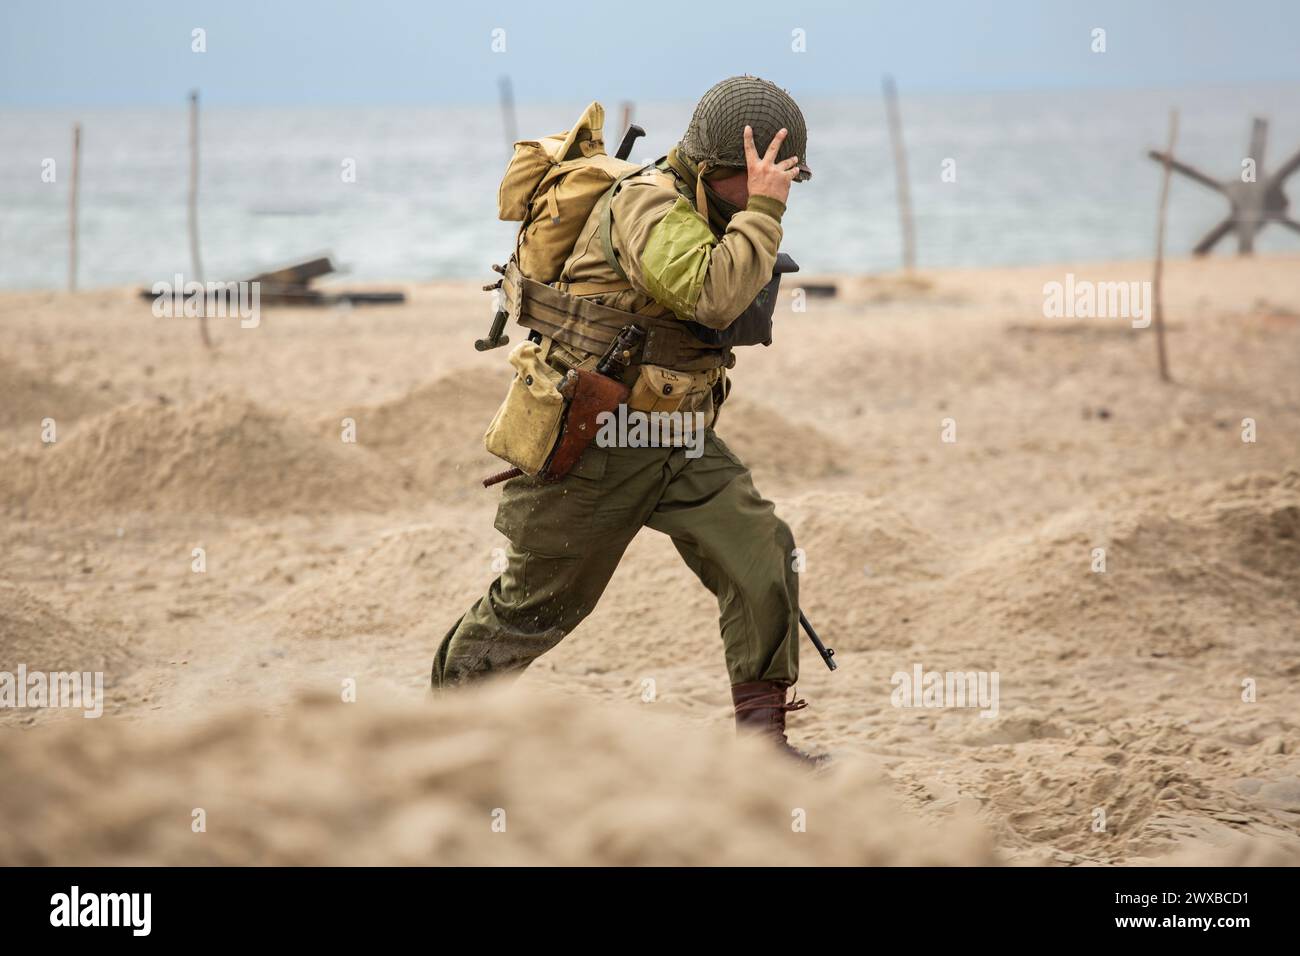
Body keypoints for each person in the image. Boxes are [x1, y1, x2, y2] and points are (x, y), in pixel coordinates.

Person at [432, 76, 823, 765]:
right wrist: (764, 212)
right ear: (711, 171)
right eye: (758, 181)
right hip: (594, 441)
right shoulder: (650, 206)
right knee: (538, 606)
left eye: (783, 182)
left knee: (762, 554)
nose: (773, 195)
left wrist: (753, 208)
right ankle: (437, 739)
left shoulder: (713, 208)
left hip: (677, 436)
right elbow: (712, 295)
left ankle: (764, 754)